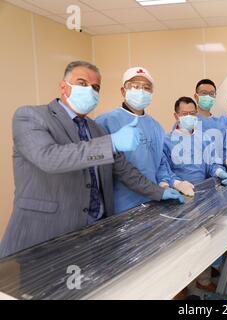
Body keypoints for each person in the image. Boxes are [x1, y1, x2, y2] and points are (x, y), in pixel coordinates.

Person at [0, 61, 183, 258]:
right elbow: (49, 158)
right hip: (43, 235)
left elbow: (123, 170)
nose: (90, 91)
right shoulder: (31, 117)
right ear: (64, 86)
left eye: (95, 87)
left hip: (93, 231)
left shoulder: (95, 129)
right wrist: (111, 143)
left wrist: (159, 192)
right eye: (82, 83)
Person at [164, 96, 227, 293]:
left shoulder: (203, 138)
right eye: (184, 114)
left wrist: (219, 172)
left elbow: (212, 163)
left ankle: (203, 279)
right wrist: (176, 183)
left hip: (204, 196)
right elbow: (163, 171)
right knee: (181, 245)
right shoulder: (167, 141)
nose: (189, 117)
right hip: (178, 199)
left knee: (206, 240)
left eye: (192, 114)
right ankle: (178, 288)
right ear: (175, 115)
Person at [95, 67, 185, 214]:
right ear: (123, 91)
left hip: (153, 201)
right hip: (121, 206)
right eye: (135, 86)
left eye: (146, 87)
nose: (141, 91)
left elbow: (160, 161)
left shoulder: (155, 126)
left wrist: (163, 184)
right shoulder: (105, 122)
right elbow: (110, 168)